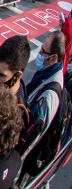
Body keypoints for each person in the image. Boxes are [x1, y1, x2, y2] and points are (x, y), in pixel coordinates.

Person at [21, 31, 66, 175]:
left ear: (54, 57)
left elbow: (34, 138)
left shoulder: (50, 94)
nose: (40, 53)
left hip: (26, 161)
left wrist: (16, 165)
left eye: (43, 51)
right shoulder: (46, 73)